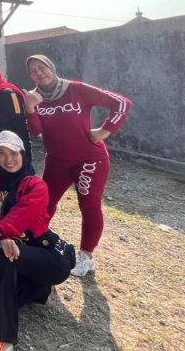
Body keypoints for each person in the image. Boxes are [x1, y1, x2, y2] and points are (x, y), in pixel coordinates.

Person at [25, 55, 131, 277]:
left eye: (41, 67)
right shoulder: (34, 97)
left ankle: (86, 257)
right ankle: (37, 239)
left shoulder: (76, 89)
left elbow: (121, 103)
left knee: (89, 207)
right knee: (44, 203)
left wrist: (104, 130)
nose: (38, 73)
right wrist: (30, 107)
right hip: (56, 161)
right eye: (33, 71)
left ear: (51, 68)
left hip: (89, 160)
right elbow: (35, 131)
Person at [0, 131, 74, 351]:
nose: (8, 159)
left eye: (14, 152)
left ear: (23, 153)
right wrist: (3, 235)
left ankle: (1, 337)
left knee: (8, 255)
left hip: (47, 254)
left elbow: (20, 216)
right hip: (15, 248)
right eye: (1, 153)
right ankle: (38, 290)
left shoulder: (36, 185)